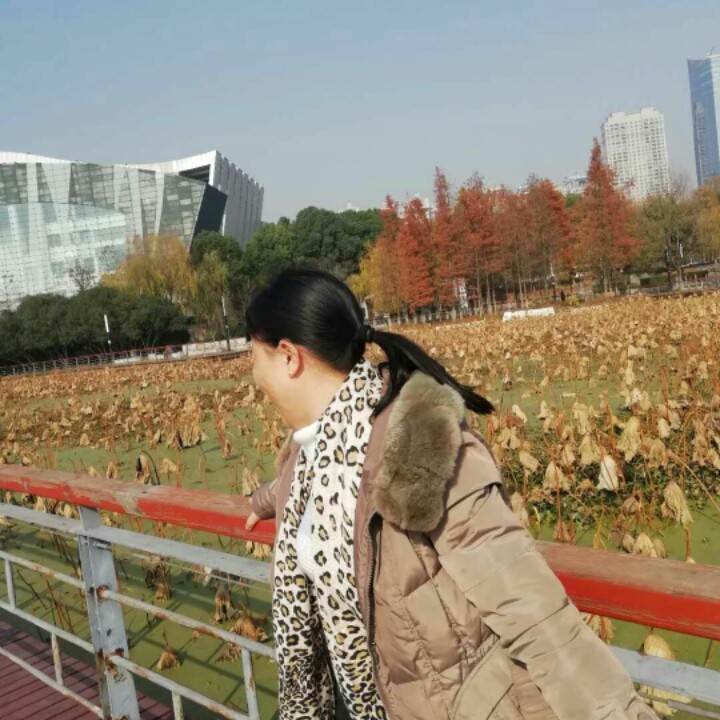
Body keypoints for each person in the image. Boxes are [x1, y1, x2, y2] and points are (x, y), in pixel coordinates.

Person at [245, 269, 657, 720]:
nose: (254, 375)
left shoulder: (416, 448)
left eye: (254, 357)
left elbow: (533, 611)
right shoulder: (308, 460)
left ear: (288, 357)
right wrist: (263, 501)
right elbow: (317, 486)